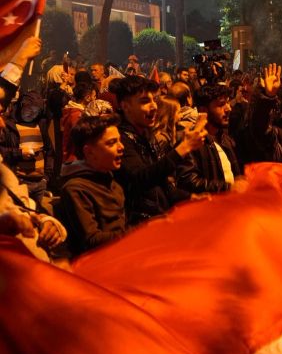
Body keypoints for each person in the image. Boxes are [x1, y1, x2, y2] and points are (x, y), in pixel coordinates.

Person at [113, 76, 206, 224]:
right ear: (125, 106)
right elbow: (140, 178)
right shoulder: (120, 139)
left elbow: (162, 184)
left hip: (160, 219)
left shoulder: (146, 135)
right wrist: (183, 148)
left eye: (154, 100)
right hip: (139, 227)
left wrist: (191, 198)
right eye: (145, 101)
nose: (154, 106)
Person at [57, 114, 127, 256]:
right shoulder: (76, 189)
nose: (121, 147)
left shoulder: (113, 183)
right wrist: (137, 232)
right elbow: (91, 240)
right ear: (89, 152)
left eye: (120, 141)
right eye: (112, 143)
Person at [177, 84, 243, 194]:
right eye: (221, 104)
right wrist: (227, 188)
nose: (228, 108)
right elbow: (188, 181)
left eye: (228, 102)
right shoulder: (192, 141)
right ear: (204, 110)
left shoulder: (225, 139)